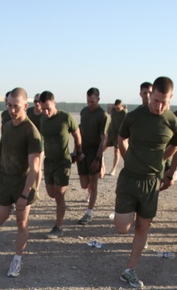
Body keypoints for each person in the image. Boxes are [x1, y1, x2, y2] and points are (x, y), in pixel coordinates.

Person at [113, 76, 177, 289]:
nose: (159, 106)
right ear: (150, 95)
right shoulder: (134, 117)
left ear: (170, 98)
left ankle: (129, 270)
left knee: (142, 227)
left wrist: (162, 162)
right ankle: (131, 225)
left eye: (164, 102)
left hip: (151, 182)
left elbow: (176, 145)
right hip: (129, 179)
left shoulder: (174, 122)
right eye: (156, 100)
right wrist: (128, 158)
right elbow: (121, 138)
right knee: (122, 227)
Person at [0, 87, 42, 277]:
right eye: (9, 106)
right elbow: (2, 146)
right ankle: (11, 206)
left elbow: (35, 168)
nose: (12, 110)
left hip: (22, 183)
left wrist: (24, 195)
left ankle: (17, 259)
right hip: (5, 180)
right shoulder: (7, 125)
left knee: (22, 223)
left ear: (25, 106)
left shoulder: (32, 133)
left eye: (16, 107)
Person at [38, 91, 80, 238]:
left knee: (59, 194)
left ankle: (58, 226)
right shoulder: (43, 119)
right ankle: (60, 215)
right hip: (49, 161)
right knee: (51, 193)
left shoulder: (65, 118)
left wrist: (77, 152)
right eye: (43, 109)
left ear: (54, 103)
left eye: (48, 108)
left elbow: (77, 134)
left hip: (63, 161)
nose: (46, 111)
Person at [76, 87, 110, 225]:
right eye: (88, 101)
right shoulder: (84, 112)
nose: (90, 104)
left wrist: (98, 158)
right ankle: (90, 194)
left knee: (93, 184)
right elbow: (80, 133)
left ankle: (89, 213)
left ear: (98, 99)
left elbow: (104, 139)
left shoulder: (103, 115)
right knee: (85, 184)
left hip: (94, 152)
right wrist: (77, 151)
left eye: (93, 102)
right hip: (83, 151)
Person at [106, 99, 126, 176]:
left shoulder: (124, 114)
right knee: (102, 149)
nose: (117, 109)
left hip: (119, 134)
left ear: (122, 106)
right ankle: (101, 167)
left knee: (116, 151)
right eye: (116, 108)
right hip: (111, 133)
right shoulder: (113, 110)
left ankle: (113, 169)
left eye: (118, 108)